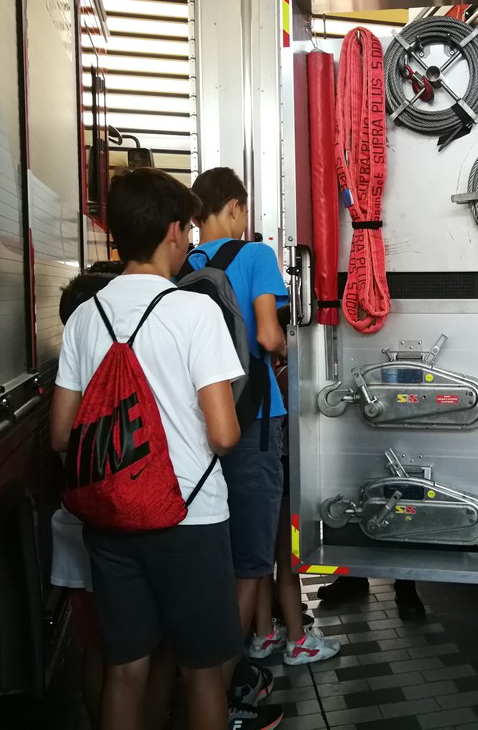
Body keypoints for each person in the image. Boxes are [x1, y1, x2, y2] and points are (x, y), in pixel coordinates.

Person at [49, 169, 280, 730]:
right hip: (191, 517)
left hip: (110, 519)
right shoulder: (194, 311)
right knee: (202, 669)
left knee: (125, 669)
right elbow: (225, 434)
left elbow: (61, 435)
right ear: (173, 231)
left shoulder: (85, 317)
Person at [188, 167, 339, 668]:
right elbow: (271, 337)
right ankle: (233, 678)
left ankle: (265, 634)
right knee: (264, 542)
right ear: (233, 207)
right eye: (244, 210)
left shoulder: (181, 267)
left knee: (231, 538)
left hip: (202, 421)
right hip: (255, 416)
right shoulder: (255, 254)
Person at [52, 261, 179, 730]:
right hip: (115, 519)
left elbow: (61, 440)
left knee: (96, 645)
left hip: (77, 518)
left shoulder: (73, 357)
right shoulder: (115, 370)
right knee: (141, 647)